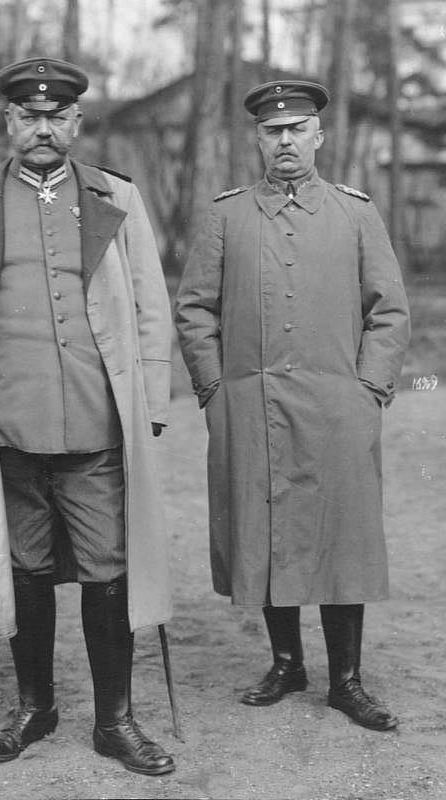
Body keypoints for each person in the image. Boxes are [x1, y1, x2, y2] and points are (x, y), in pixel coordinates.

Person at [0, 56, 175, 775]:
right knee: (23, 567)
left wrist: (148, 400)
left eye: (57, 117)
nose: (43, 129)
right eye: (30, 116)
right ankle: (36, 708)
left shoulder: (116, 196)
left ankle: (115, 722)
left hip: (96, 424)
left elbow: (151, 306)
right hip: (6, 428)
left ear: (77, 121)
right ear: (9, 122)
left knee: (108, 569)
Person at [175, 80, 410, 732]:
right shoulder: (226, 216)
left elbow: (389, 311)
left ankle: (346, 680)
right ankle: (286, 664)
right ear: (257, 138)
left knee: (341, 535)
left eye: (297, 129)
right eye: (273, 131)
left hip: (338, 408)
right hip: (250, 406)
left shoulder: (355, 213)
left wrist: (369, 389)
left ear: (318, 136)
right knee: (264, 528)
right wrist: (214, 388)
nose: (285, 141)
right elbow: (194, 309)